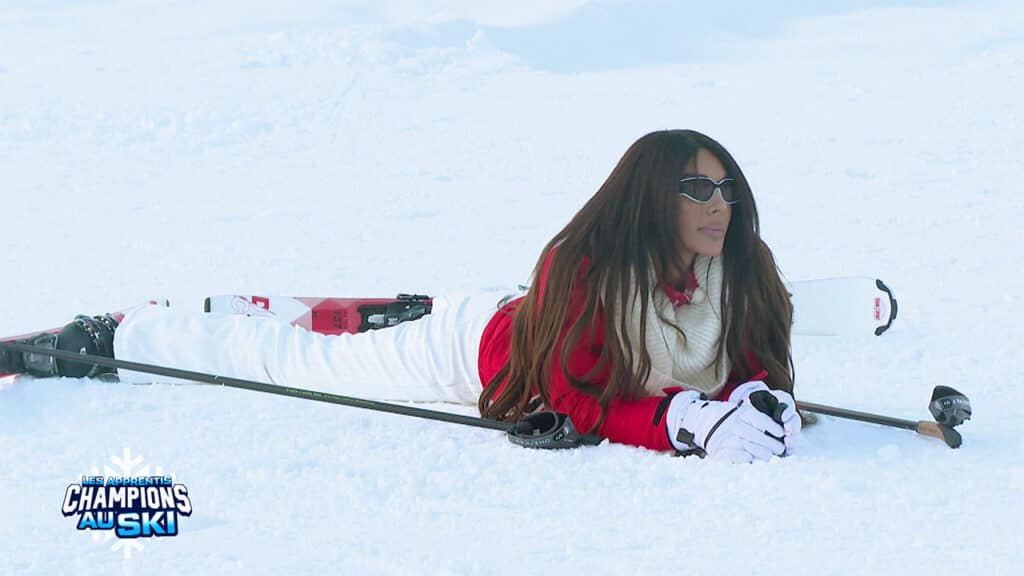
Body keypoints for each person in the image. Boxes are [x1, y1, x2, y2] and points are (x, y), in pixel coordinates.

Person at [0, 129, 800, 462]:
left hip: (533, 315)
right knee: (298, 366)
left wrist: (764, 400)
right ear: (650, 198)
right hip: (473, 353)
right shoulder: (584, 268)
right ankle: (120, 336)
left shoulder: (743, 266)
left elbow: (755, 366)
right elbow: (571, 402)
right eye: (696, 189)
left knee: (527, 312)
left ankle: (413, 312)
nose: (719, 205)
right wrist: (677, 422)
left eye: (725, 188)